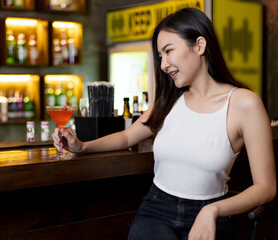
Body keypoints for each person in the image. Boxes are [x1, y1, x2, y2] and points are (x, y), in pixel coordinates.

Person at [51, 7, 276, 240]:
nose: (163, 64)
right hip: (157, 210)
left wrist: (213, 210)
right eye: (160, 56)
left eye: (169, 51)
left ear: (199, 45)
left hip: (212, 212)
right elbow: (128, 137)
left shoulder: (244, 104)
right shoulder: (170, 101)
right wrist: (82, 146)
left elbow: (266, 187)